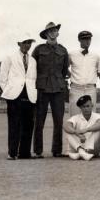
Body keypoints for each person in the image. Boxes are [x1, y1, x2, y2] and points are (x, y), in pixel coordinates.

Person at [32, 22, 69, 158]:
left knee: (58, 120)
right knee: (39, 120)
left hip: (58, 88)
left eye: (55, 30)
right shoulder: (38, 49)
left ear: (57, 33)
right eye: (51, 31)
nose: (53, 33)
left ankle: (57, 150)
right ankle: (37, 151)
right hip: (42, 88)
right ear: (46, 34)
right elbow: (32, 68)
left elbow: (65, 70)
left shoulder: (63, 50)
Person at [0, 34, 37, 160]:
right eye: (25, 42)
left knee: (28, 125)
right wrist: (9, 93)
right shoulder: (9, 58)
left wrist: (33, 93)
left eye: (30, 43)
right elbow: (2, 79)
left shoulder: (33, 61)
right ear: (19, 43)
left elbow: (33, 79)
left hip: (29, 96)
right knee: (14, 125)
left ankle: (25, 153)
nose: (28, 45)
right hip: (14, 96)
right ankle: (12, 153)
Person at [63, 95, 100, 161]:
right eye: (83, 107)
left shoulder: (97, 116)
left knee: (97, 130)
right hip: (79, 146)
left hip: (92, 149)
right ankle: (81, 151)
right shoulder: (76, 117)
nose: (86, 109)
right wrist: (76, 133)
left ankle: (82, 152)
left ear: (92, 105)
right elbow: (65, 125)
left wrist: (86, 130)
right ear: (80, 108)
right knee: (69, 132)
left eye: (87, 106)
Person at [68, 31, 99, 117]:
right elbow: (64, 67)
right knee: (75, 115)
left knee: (91, 116)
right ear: (79, 40)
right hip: (76, 88)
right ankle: (76, 131)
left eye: (89, 39)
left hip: (90, 89)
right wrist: (71, 76)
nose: (87, 41)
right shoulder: (71, 54)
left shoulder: (95, 56)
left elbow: (98, 70)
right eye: (84, 39)